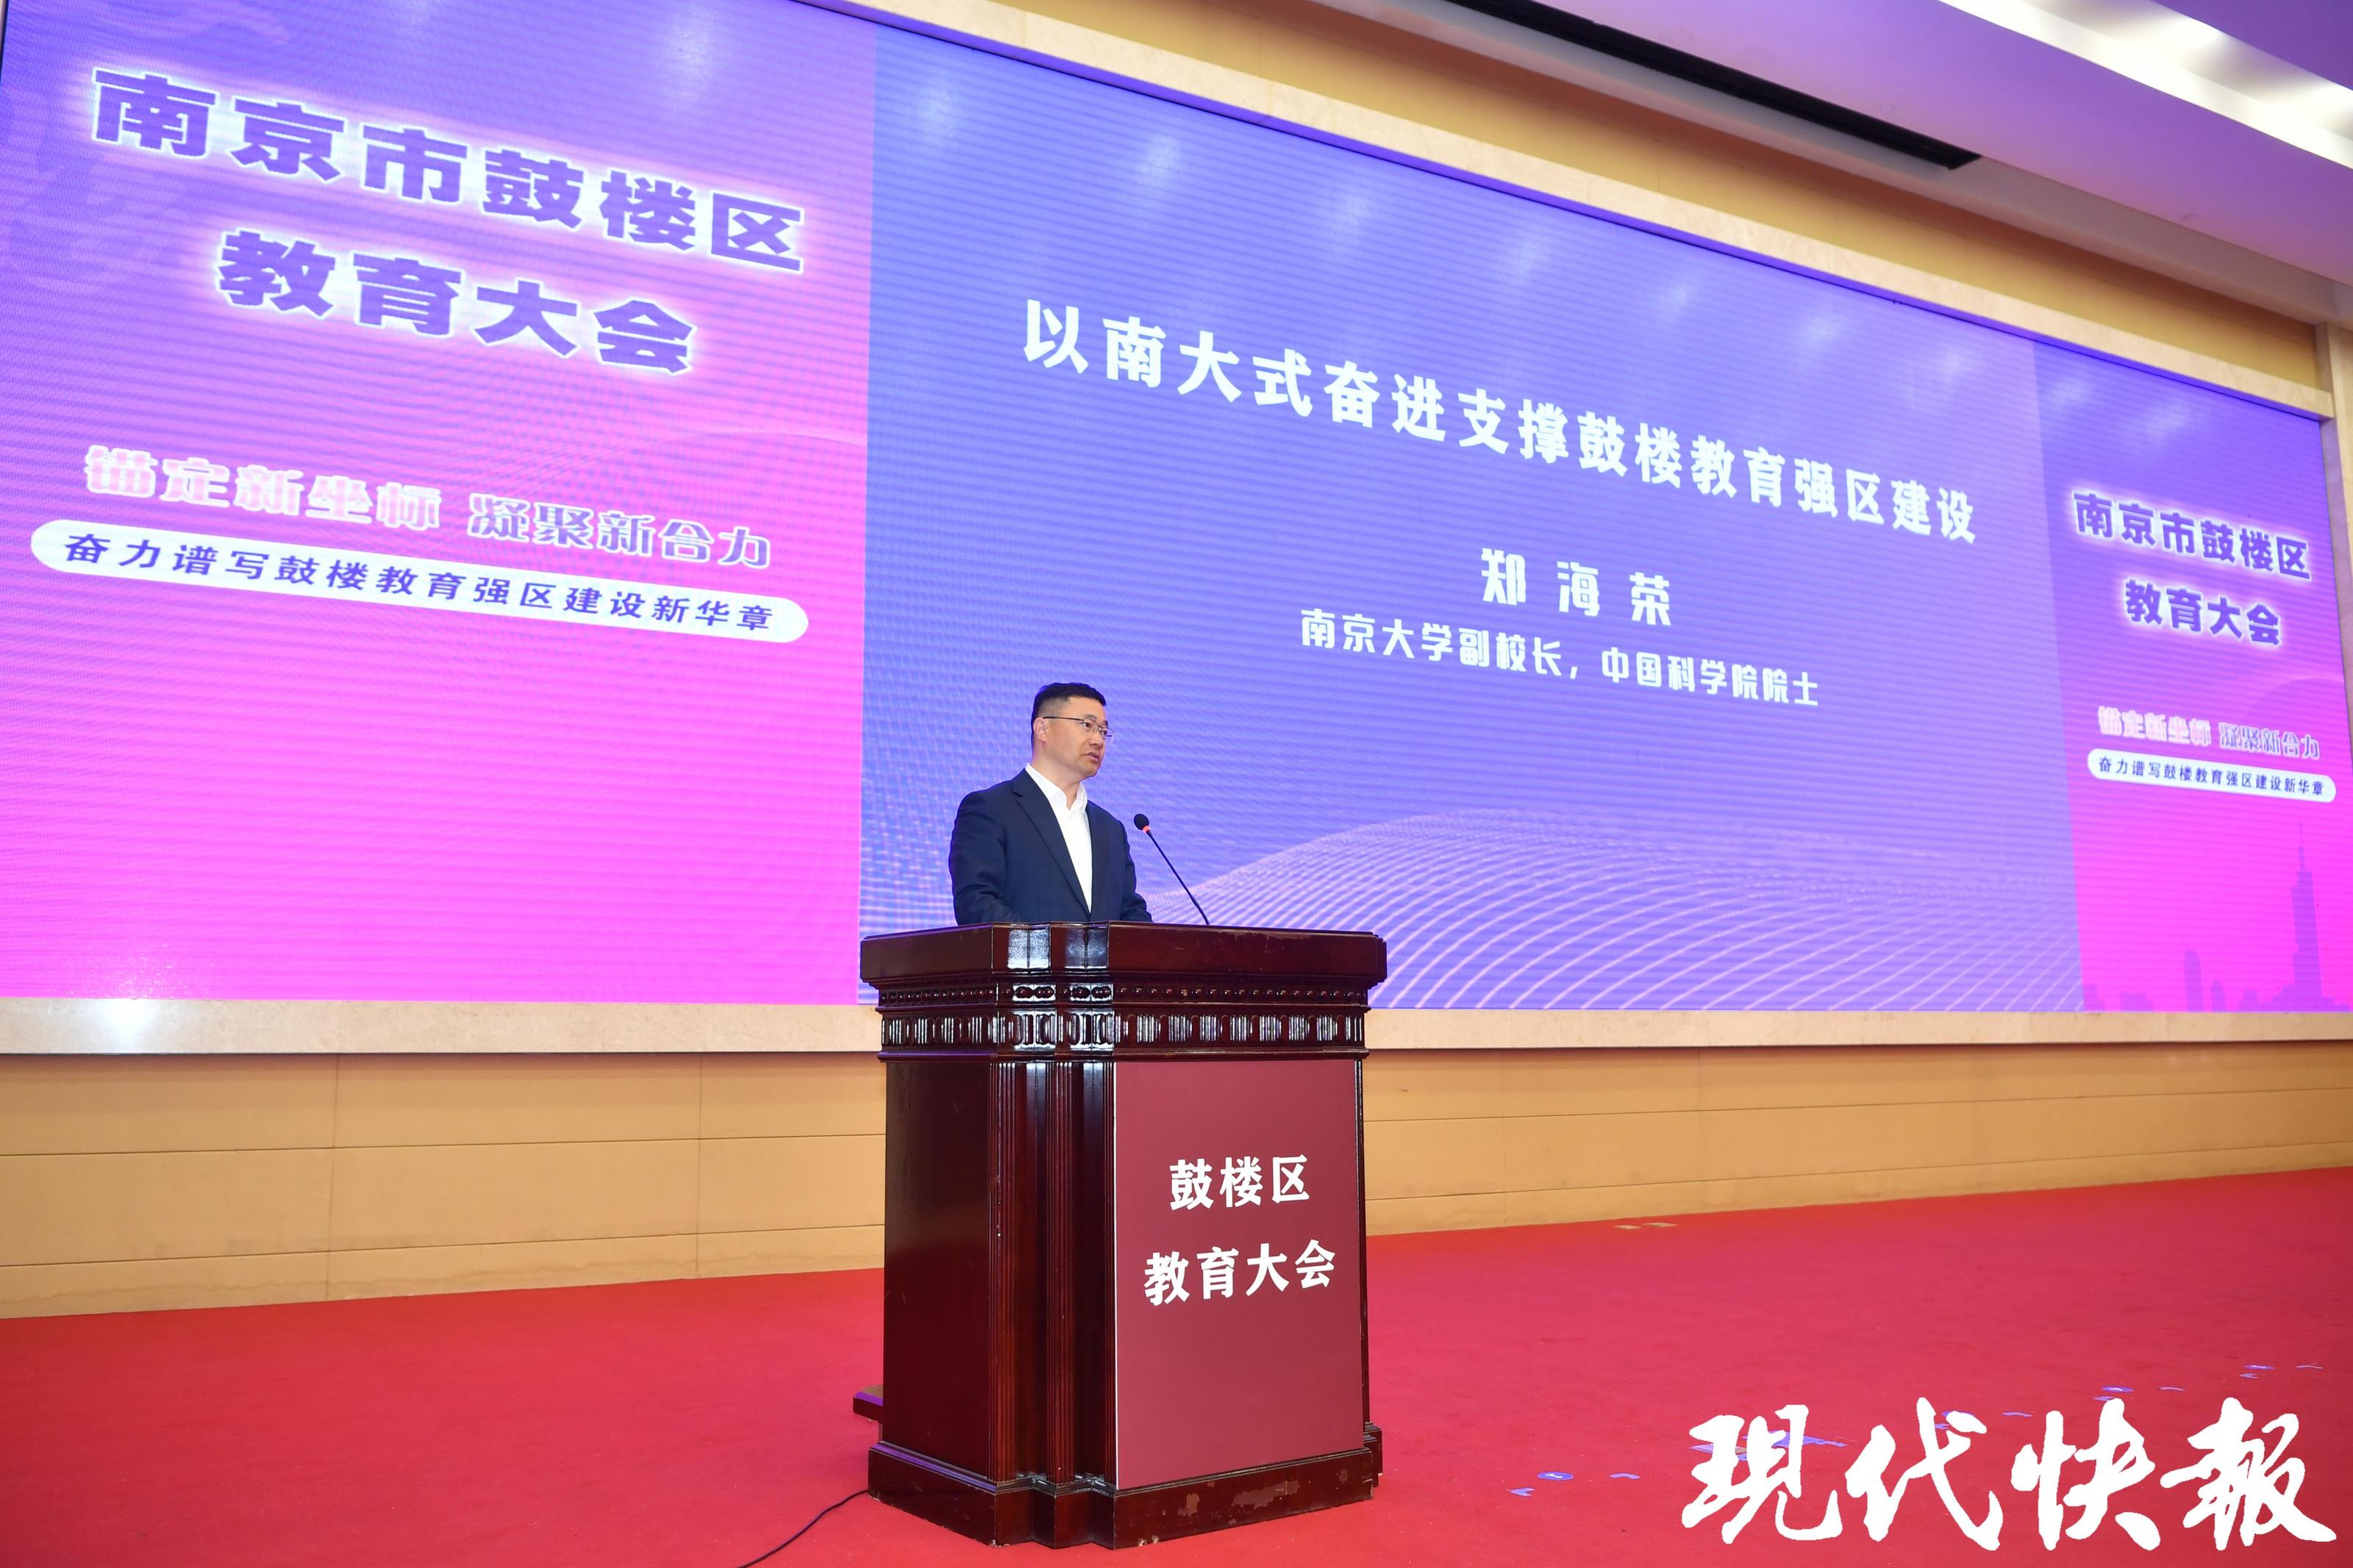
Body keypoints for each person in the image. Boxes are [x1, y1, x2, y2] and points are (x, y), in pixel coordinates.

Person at [949, 682, 1153, 925]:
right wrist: (1052, 946)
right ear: (1042, 729)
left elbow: (1129, 912)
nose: (1098, 741)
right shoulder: (990, 810)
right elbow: (977, 904)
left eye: (1103, 731)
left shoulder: (1111, 829)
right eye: (1087, 725)